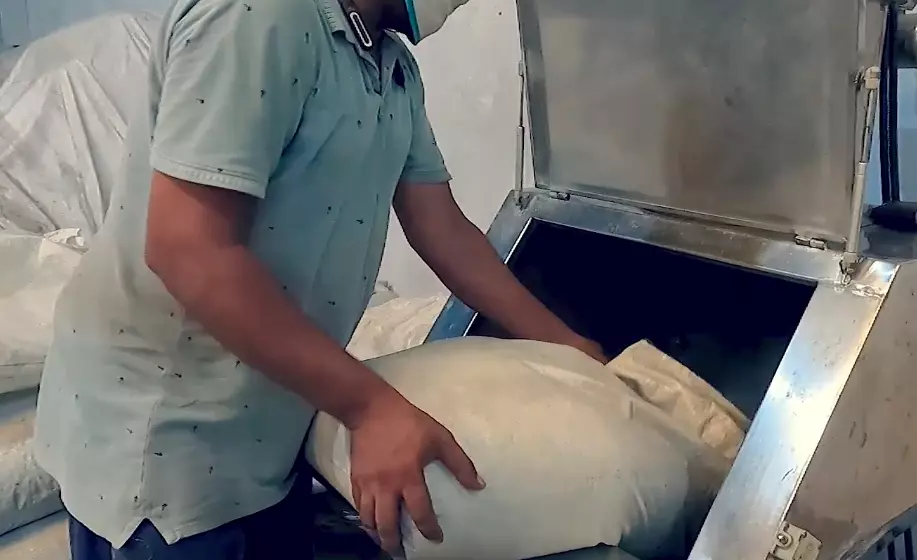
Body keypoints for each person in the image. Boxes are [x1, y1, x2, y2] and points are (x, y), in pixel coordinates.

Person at [33, 0, 606, 559]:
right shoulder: (259, 18)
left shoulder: (389, 66)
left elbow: (442, 229)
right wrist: (372, 409)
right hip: (167, 448)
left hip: (266, 427)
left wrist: (568, 347)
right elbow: (189, 250)